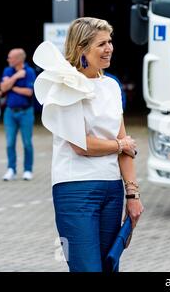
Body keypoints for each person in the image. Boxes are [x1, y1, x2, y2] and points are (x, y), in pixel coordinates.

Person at [33, 17, 143, 272]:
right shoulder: (65, 85)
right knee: (86, 268)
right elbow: (81, 145)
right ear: (82, 49)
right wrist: (119, 144)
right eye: (101, 44)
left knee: (108, 267)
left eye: (110, 42)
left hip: (112, 189)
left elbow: (126, 147)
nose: (109, 48)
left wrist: (133, 194)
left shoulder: (112, 86)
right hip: (75, 190)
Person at [0, 48, 36, 181]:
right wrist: (15, 77)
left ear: (19, 59)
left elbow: (29, 92)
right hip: (10, 113)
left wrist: (12, 86)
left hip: (26, 112)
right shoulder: (8, 70)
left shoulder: (30, 71)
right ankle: (11, 169)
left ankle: (27, 170)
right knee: (10, 143)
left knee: (27, 143)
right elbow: (3, 88)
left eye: (10, 57)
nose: (8, 59)